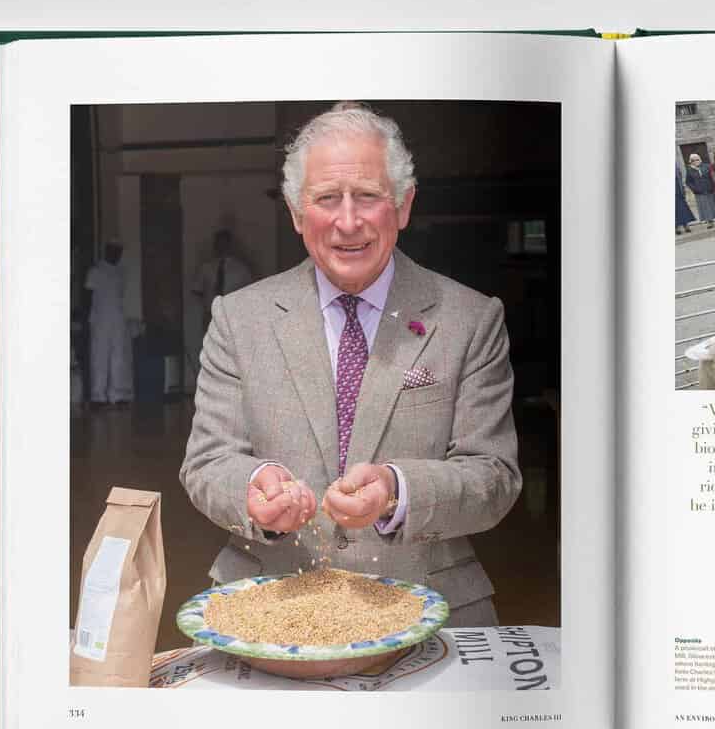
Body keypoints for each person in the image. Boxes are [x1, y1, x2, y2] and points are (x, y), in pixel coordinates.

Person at [180, 105, 522, 627]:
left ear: (403, 206)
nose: (347, 221)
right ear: (297, 214)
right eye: (325, 199)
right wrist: (254, 486)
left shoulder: (470, 319)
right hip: (270, 608)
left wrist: (395, 488)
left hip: (430, 608)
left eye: (368, 196)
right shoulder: (238, 318)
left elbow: (493, 477)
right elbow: (207, 462)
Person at [84, 240, 132, 405]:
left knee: (118, 356)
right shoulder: (95, 271)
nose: (118, 254)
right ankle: (98, 396)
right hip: (100, 319)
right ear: (107, 251)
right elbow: (88, 296)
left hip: (117, 318)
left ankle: (117, 395)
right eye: (114, 250)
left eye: (120, 251)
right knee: (99, 356)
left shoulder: (121, 272)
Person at [191, 229, 255, 337]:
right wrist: (207, 306)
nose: (221, 246)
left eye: (224, 243)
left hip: (232, 315)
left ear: (230, 245)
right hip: (211, 315)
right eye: (219, 243)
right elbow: (197, 290)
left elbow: (249, 293)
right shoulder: (206, 268)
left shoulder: (241, 269)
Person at [685, 153, 715, 228]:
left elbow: (713, 176)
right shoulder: (690, 169)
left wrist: (714, 186)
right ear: (691, 161)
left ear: (700, 159)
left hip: (710, 189)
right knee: (705, 207)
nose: (696, 161)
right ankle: (709, 222)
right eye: (693, 160)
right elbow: (688, 182)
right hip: (700, 192)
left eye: (697, 159)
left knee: (714, 205)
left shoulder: (707, 166)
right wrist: (695, 189)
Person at [675, 162, 695, 234]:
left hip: (678, 189)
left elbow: (680, 175)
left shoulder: (675, 165)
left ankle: (686, 225)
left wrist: (683, 187)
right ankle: (676, 227)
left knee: (682, 208)